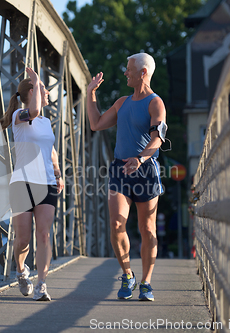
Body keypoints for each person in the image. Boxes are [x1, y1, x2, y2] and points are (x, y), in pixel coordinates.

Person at [86, 53, 165, 301]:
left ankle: (146, 282)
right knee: (117, 224)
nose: (125, 73)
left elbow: (158, 139)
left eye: (129, 69)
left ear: (143, 72)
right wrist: (90, 93)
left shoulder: (155, 103)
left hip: (145, 170)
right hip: (120, 170)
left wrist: (140, 159)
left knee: (147, 228)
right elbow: (96, 124)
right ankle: (128, 274)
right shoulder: (122, 102)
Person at [0, 67, 64, 301]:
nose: (47, 92)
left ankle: (42, 284)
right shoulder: (20, 117)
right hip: (22, 183)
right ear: (31, 91)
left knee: (44, 235)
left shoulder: (46, 123)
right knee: (23, 239)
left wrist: (57, 173)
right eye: (43, 88)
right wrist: (36, 81)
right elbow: (34, 110)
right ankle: (20, 271)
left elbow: (51, 150)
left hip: (46, 184)